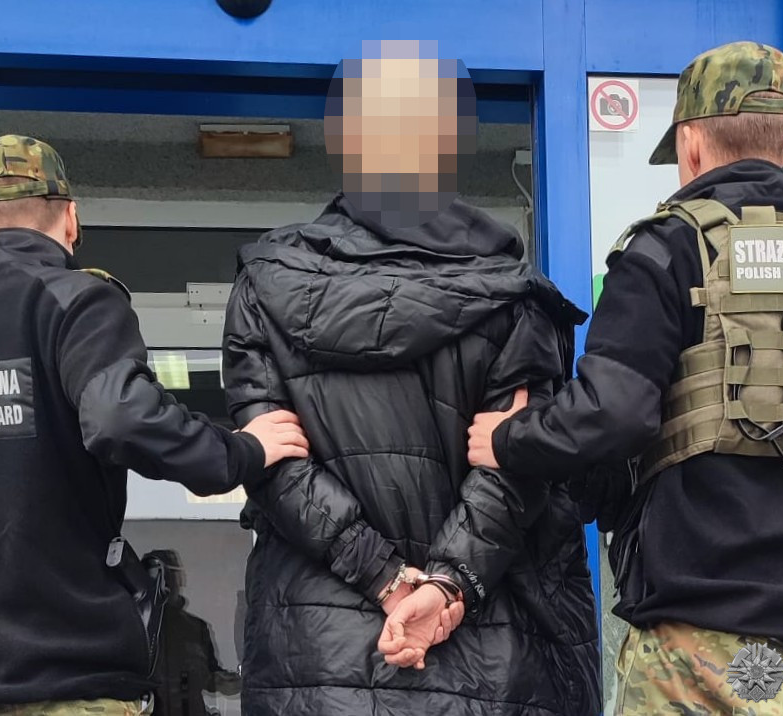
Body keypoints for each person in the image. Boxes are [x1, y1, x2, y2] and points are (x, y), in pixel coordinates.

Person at [467, 42, 783, 714]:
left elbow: (613, 413)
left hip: (693, 639)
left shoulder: (665, 250)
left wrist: (510, 439)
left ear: (690, 144)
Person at [224, 40, 600, 716]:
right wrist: (445, 585)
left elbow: (272, 461)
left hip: (314, 656)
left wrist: (385, 578)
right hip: (492, 657)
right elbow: (516, 468)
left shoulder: (265, 285)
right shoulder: (512, 295)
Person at [0, 135, 308, 716]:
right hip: (68, 684)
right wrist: (240, 453)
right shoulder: (78, 303)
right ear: (72, 219)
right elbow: (120, 416)